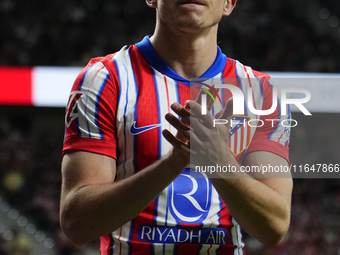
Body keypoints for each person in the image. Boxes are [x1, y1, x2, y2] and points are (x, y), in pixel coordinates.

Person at [60, 0, 293, 254]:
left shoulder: (261, 93)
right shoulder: (104, 79)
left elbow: (274, 226)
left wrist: (219, 162)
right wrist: (172, 164)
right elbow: (76, 224)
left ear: (229, 3)